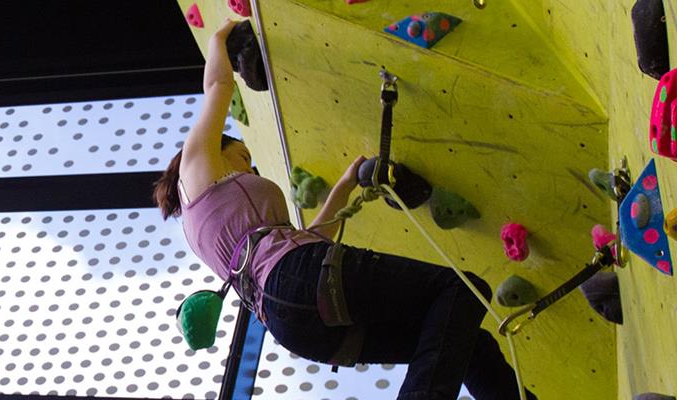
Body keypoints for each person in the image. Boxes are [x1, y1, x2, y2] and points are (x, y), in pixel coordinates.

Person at [155, 19, 533, 400]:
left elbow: (311, 240)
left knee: (467, 340)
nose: (249, 168)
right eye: (243, 157)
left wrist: (348, 181)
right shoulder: (196, 168)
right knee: (462, 289)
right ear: (221, 147)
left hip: (296, 326)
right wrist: (220, 36)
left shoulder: (211, 234)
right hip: (299, 281)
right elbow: (218, 86)